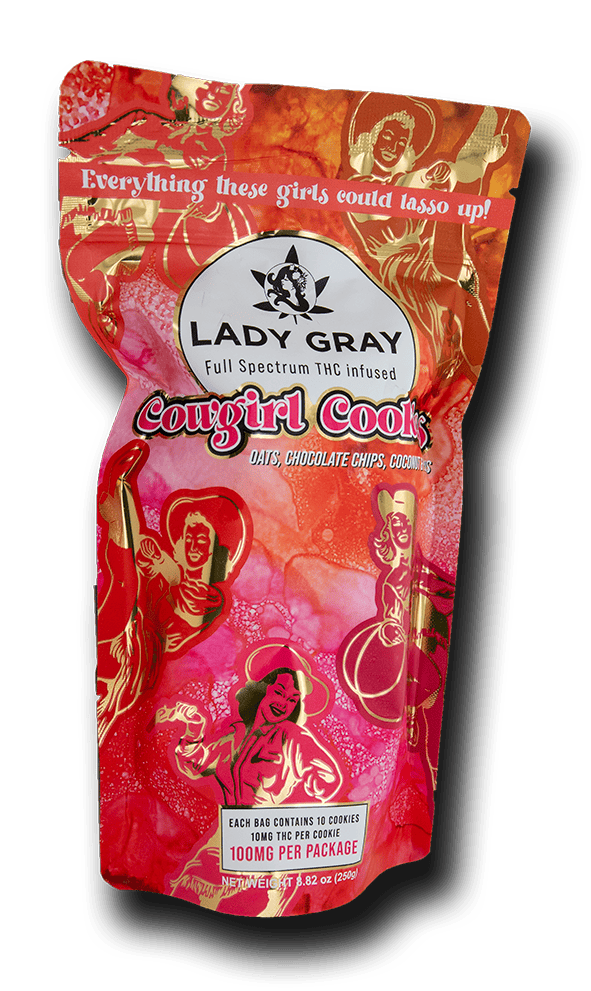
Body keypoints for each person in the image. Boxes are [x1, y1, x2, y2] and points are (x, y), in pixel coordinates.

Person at [342, 95, 509, 382]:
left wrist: (454, 174)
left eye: (401, 141)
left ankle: (481, 146)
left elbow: (436, 189)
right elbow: (386, 211)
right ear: (371, 136)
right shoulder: (357, 186)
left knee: (454, 208)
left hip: (430, 261)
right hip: (398, 273)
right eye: (387, 136)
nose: (392, 146)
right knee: (453, 260)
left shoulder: (405, 182)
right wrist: (427, 181)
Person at [96, 440, 251, 744]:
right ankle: (119, 493)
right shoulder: (166, 574)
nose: (193, 544)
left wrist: (160, 568)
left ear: (218, 552)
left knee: (127, 580)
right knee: (124, 576)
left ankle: (118, 495)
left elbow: (183, 613)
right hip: (127, 649)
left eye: (202, 539)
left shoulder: (206, 598)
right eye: (188, 536)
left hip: (141, 660)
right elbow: (136, 556)